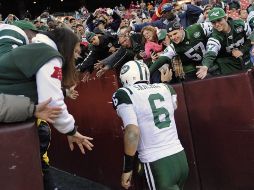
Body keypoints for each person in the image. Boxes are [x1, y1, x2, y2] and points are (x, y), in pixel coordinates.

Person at [0, 28, 94, 189]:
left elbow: (30, 87)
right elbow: (52, 102)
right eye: (76, 51)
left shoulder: (36, 49)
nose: (77, 56)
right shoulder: (48, 54)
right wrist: (70, 130)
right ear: (67, 46)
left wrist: (63, 92)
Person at [112, 60, 189, 190]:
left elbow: (132, 132)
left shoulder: (124, 93)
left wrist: (127, 169)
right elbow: (173, 107)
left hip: (157, 161)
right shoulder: (166, 87)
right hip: (180, 157)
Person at [196, 7, 252, 79]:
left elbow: (251, 39)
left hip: (245, 59)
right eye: (213, 22)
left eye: (219, 20)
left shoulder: (241, 24)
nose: (217, 24)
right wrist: (205, 65)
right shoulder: (214, 37)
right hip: (229, 64)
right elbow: (211, 52)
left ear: (225, 18)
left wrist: (242, 50)